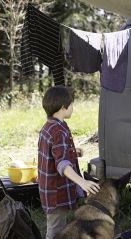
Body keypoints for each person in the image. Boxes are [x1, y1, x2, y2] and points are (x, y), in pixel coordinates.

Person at [38, 86, 100, 239]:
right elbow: (62, 165)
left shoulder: (50, 126)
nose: (73, 107)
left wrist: (73, 151)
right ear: (62, 107)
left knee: (58, 227)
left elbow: (54, 153)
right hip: (57, 192)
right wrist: (82, 183)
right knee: (55, 230)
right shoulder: (59, 131)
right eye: (71, 104)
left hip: (49, 189)